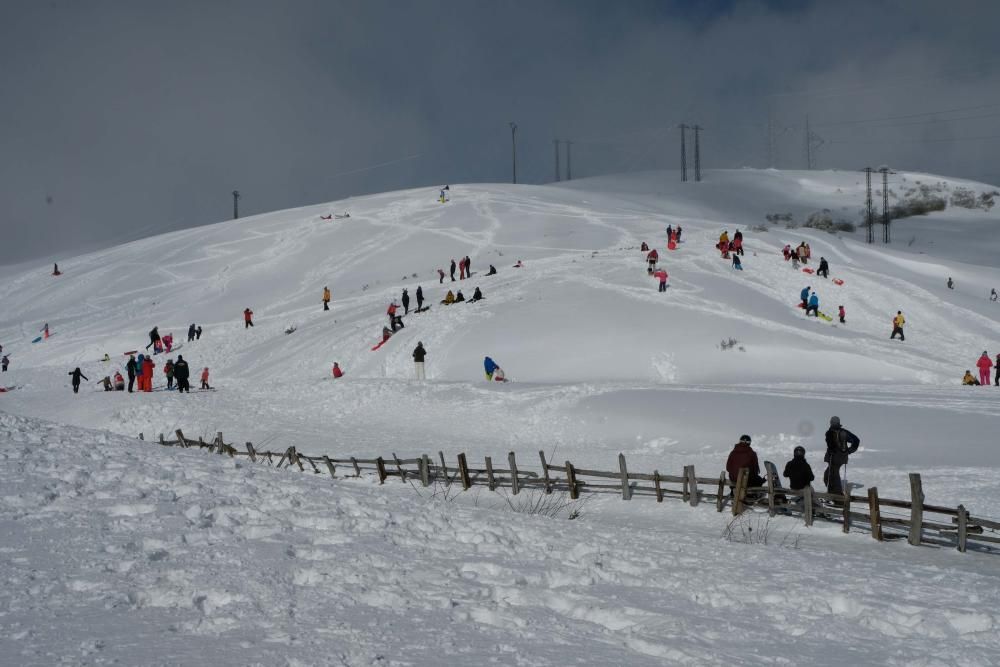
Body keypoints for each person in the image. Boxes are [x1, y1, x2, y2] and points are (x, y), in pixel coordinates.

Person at [824, 416, 860, 496]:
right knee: (830, 475)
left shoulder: (831, 432)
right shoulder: (843, 432)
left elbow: (831, 446)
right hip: (840, 457)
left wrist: (849, 451)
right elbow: (856, 440)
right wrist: (849, 451)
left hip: (834, 458)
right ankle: (833, 494)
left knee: (831, 476)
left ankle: (837, 497)